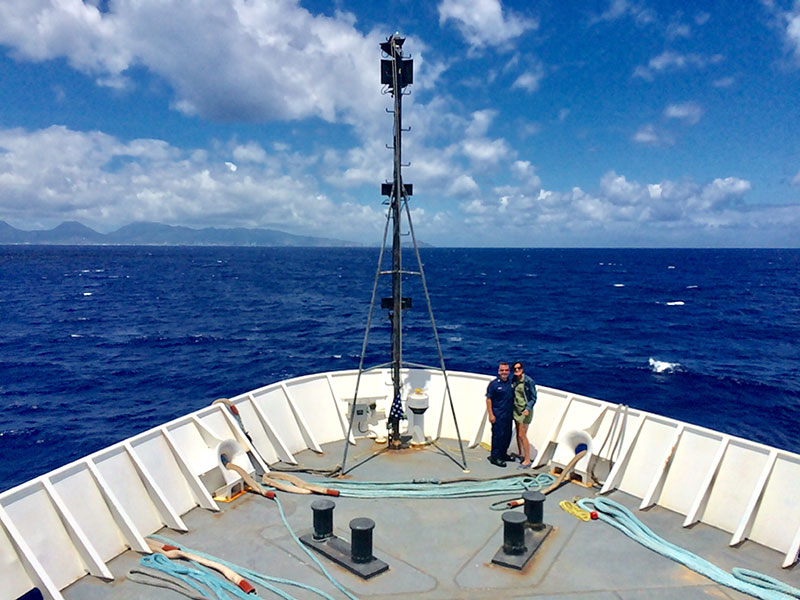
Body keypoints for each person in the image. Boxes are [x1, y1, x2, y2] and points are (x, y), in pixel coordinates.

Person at [485, 361, 514, 467]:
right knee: (498, 436)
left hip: (508, 415)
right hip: (498, 415)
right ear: (498, 371)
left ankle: (503, 454)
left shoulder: (511, 383)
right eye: (502, 370)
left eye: (506, 370)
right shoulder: (494, 384)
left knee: (507, 436)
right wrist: (491, 414)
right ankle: (495, 457)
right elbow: (489, 399)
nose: (504, 372)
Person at [512, 361, 537, 468]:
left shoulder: (528, 381)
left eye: (519, 368)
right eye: (515, 369)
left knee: (522, 435)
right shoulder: (514, 380)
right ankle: (520, 454)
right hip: (516, 409)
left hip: (525, 411)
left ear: (522, 369)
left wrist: (528, 408)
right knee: (518, 434)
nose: (517, 370)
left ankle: (527, 460)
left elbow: (533, 397)